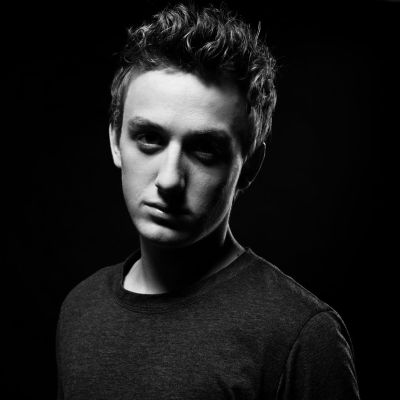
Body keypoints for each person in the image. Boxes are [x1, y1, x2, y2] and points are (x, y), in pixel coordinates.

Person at [56, 3, 360, 399]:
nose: (169, 179)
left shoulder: (300, 337)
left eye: (204, 149)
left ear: (249, 166)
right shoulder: (80, 308)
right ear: (115, 139)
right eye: (149, 138)